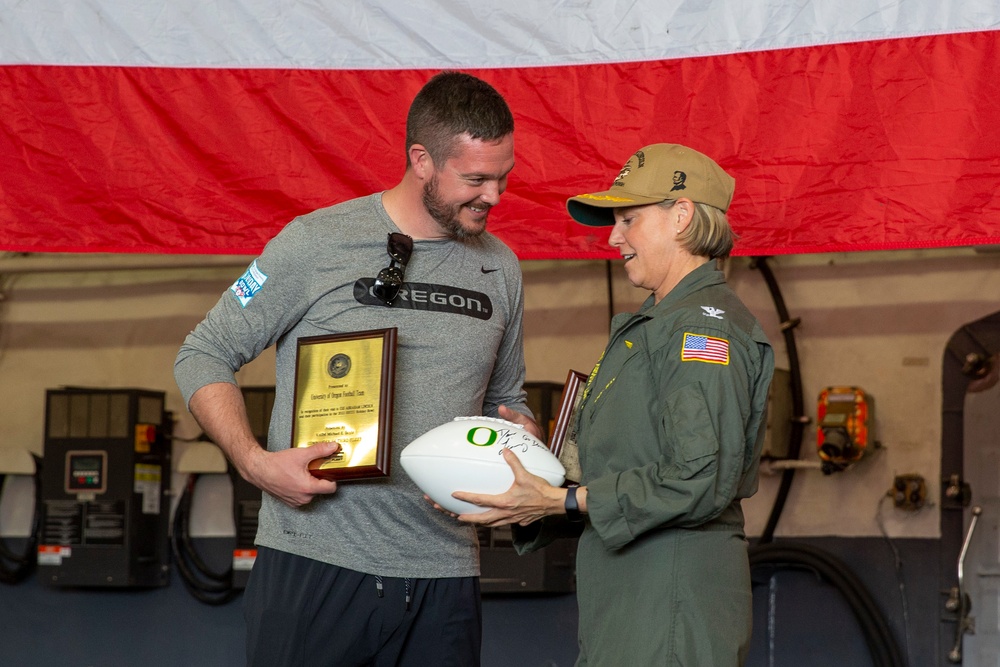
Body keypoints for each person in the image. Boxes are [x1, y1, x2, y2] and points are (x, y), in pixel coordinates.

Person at [174, 70, 540, 667]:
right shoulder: (315, 242)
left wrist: (519, 435)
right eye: (475, 178)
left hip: (445, 573)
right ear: (422, 160)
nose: (494, 195)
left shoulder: (500, 268)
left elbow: (507, 396)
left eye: (503, 177)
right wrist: (254, 463)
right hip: (315, 561)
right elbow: (203, 352)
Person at [450, 143, 775, 665]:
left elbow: (698, 477)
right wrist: (546, 465)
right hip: (633, 593)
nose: (613, 236)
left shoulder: (699, 329)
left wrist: (565, 502)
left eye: (629, 218)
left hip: (669, 597)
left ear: (682, 216)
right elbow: (633, 459)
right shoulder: (656, 324)